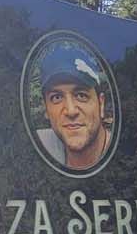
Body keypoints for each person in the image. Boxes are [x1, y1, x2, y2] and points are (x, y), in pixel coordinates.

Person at [35, 39, 113, 171]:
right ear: (46, 110)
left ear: (101, 104)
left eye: (81, 95)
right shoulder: (38, 147)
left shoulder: (129, 158)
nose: (71, 111)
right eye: (57, 97)